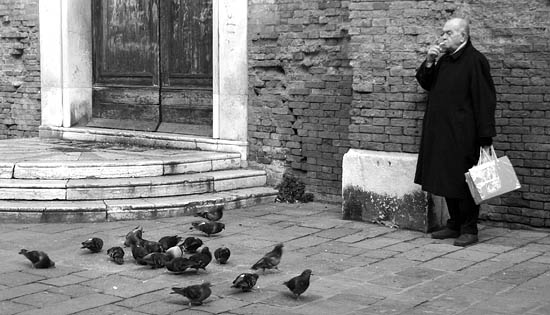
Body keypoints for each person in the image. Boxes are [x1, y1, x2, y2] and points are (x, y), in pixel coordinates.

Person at [415, 18, 496, 247]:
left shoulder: (475, 61)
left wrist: (485, 135)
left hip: (464, 134)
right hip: (441, 132)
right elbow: (426, 83)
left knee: (467, 181)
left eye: (448, 33)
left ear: (463, 35)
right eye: (443, 34)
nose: (443, 38)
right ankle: (454, 224)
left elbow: (485, 99)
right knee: (446, 177)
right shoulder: (444, 60)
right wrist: (429, 61)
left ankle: (469, 229)